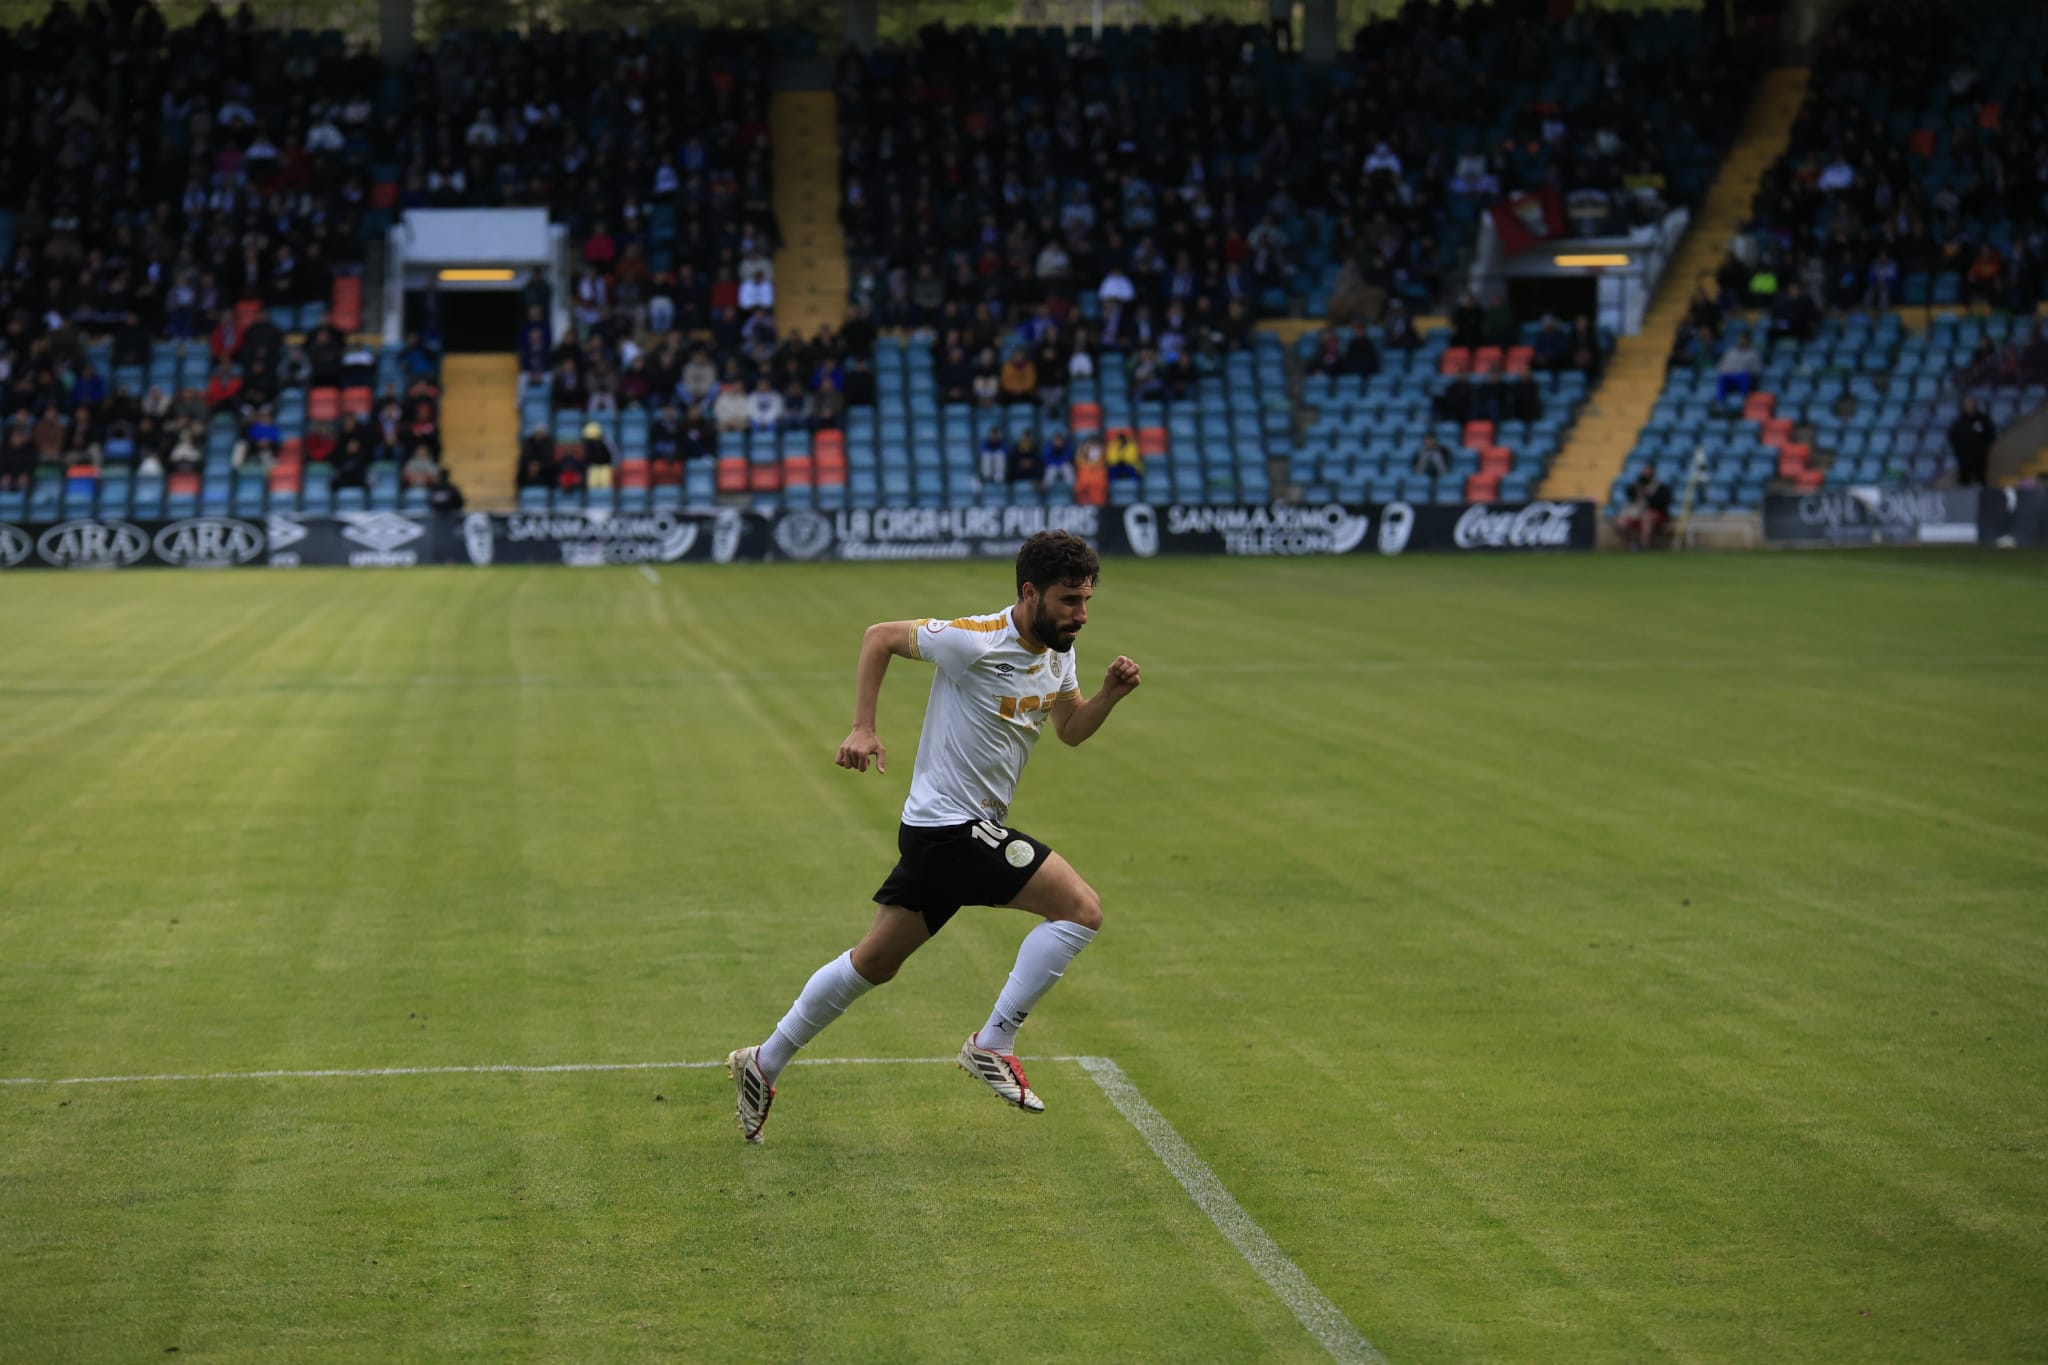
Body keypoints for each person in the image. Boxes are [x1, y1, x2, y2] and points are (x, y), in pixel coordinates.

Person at [726, 532, 1143, 1142]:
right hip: (950, 828)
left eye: (1086, 600)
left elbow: (1071, 729)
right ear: (1030, 593)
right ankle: (992, 1043)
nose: (1081, 614)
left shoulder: (1059, 651)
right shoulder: (974, 639)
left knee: (873, 962)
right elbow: (879, 637)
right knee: (1081, 910)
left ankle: (763, 1062)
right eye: (1069, 600)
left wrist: (1107, 695)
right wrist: (863, 727)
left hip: (948, 832)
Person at [1616, 468, 1672, 549]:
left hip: (1656, 514)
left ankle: (1645, 546)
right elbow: (1629, 494)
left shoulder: (1660, 487)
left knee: (1646, 517)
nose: (1645, 473)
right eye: (1644, 471)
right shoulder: (1638, 485)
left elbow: (1663, 503)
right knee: (1619, 523)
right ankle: (1633, 544)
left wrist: (1649, 495)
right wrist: (1637, 490)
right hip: (1637, 513)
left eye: (1648, 471)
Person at [1948, 396, 1995, 487]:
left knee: (1981, 479)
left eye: (1972, 404)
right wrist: (1959, 451)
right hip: (1964, 458)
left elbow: (1991, 435)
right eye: (1968, 404)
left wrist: (1984, 448)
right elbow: (1953, 437)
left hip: (1980, 457)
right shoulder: (1959, 422)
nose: (1971, 406)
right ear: (1965, 406)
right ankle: (1963, 499)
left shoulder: (1983, 419)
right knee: (1964, 481)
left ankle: (1983, 498)